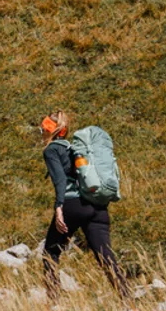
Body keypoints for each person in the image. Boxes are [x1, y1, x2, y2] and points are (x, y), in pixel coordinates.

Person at [39, 110, 129, 297]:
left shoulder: (52, 150)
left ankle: (54, 301)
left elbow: (60, 180)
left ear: (51, 130)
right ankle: (128, 301)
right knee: (105, 256)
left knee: (50, 252)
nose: (41, 131)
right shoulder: (76, 150)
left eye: (44, 128)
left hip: (72, 205)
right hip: (96, 206)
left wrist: (59, 208)